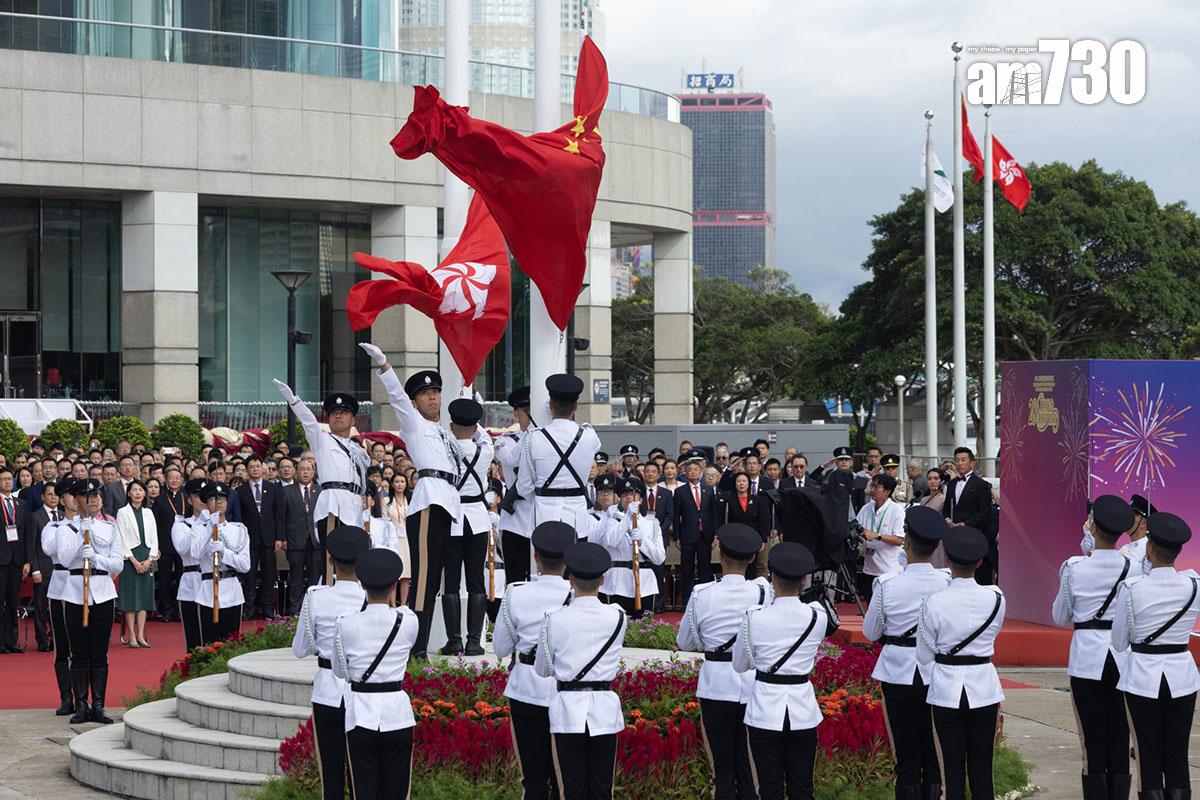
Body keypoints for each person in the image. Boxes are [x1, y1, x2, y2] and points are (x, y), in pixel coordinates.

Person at [362, 343, 462, 660]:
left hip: (450, 502)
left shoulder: (443, 431)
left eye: (436, 392)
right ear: (416, 401)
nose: (433, 398)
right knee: (424, 579)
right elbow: (397, 399)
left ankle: (445, 639)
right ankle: (416, 648)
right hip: (429, 502)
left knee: (444, 576)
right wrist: (385, 366)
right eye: (425, 394)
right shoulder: (414, 423)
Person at [732, 542, 839, 800]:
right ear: (804, 579)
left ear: (772, 576)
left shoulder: (755, 616)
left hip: (765, 708)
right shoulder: (817, 616)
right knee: (803, 790)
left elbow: (740, 665)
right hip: (802, 709)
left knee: (769, 791)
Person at [862, 507, 951, 800]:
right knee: (933, 747)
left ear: (907, 542)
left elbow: (871, 633)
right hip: (936, 671)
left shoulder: (888, 585)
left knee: (905, 751)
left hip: (898, 670)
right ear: (937, 545)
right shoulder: (946, 583)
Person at [676, 523, 770, 800]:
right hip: (753, 682)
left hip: (716, 683)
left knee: (723, 765)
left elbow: (685, 642)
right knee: (750, 763)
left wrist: (710, 644)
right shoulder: (763, 592)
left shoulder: (703, 593)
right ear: (752, 558)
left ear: (720, 554)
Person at [1050, 495, 1136, 800]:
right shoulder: (1132, 566)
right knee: (1121, 735)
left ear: (1093, 527)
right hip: (1123, 658)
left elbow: (1061, 617)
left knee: (1092, 740)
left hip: (1088, 657)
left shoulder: (1074, 568)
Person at [1111, 512, 1199, 799]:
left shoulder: (1133, 588)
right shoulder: (1194, 585)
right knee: (1177, 758)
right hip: (1182, 677)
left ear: (1149, 548)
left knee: (1148, 759)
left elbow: (1119, 642)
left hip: (1142, 678)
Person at [916, 526, 1005, 800]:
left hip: (947, 688)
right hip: (984, 687)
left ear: (948, 561)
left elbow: (923, 655)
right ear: (980, 563)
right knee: (982, 773)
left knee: (951, 777)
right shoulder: (996, 598)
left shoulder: (934, 602)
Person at [534, 541, 627, 800]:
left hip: (567, 710)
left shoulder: (554, 618)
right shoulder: (618, 616)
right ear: (603, 580)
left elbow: (542, 669)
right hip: (604, 710)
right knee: (601, 790)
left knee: (571, 790)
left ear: (570, 579)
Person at [493, 521, 576, 800]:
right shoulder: (577, 596)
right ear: (569, 557)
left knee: (533, 777)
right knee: (564, 775)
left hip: (526, 687)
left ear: (536, 555)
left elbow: (501, 648)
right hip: (565, 689)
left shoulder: (517, 592)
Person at [332, 547, 420, 800]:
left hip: (361, 713)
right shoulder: (408, 621)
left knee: (364, 791)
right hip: (397, 712)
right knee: (397, 791)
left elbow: (339, 671)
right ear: (395, 586)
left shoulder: (346, 623)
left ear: (362, 585)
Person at [293, 525, 370, 800]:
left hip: (327, 689)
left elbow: (300, 649)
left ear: (331, 560)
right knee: (362, 775)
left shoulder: (317, 596)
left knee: (331, 776)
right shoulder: (369, 599)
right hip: (362, 693)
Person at [273, 377, 371, 578]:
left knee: (354, 558)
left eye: (343, 413)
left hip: (353, 503)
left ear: (353, 420)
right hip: (332, 503)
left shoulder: (358, 450)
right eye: (334, 413)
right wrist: (294, 401)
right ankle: (328, 596)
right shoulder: (323, 441)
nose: (338, 417)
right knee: (330, 559)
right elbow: (309, 422)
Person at [58, 479, 124, 723]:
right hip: (76, 591)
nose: (93, 499)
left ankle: (98, 704)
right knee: (79, 652)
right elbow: (65, 559)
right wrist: (80, 537)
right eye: (86, 496)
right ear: (76, 501)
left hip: (103, 590)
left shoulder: (109, 528)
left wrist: (96, 559)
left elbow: (118, 563)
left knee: (99, 652)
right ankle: (81, 704)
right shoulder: (66, 528)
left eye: (96, 495)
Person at [517, 374, 602, 541]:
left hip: (544, 518)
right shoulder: (589, 436)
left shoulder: (533, 438)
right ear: (576, 405)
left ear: (550, 405)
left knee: (547, 566)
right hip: (577, 519)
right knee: (575, 565)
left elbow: (524, 488)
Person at [443, 398, 495, 656]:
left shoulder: (446, 449)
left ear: (452, 425)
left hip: (452, 518)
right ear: (475, 427)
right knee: (476, 580)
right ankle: (474, 641)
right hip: (477, 518)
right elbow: (484, 436)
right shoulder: (485, 451)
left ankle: (454, 640)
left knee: (451, 582)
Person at [594, 477, 665, 618]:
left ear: (641, 499)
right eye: (625, 495)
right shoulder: (612, 520)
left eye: (633, 495)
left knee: (644, 628)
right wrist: (627, 517)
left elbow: (659, 558)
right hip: (618, 583)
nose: (629, 498)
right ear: (620, 499)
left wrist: (642, 541)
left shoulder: (651, 524)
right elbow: (611, 541)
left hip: (644, 584)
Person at [193, 482, 251, 645]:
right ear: (206, 504)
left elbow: (245, 565)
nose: (218, 502)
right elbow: (195, 553)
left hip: (232, 591)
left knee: (231, 644)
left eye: (222, 499)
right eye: (213, 499)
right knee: (208, 644)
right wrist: (209, 527)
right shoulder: (199, 528)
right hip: (208, 592)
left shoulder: (239, 530)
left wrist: (225, 553)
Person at [40, 480, 79, 714]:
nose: (76, 499)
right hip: (61, 585)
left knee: (84, 646)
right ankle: (67, 696)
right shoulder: (53, 527)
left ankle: (84, 696)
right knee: (62, 645)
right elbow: (51, 550)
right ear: (62, 500)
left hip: (86, 587)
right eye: (71, 495)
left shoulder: (94, 525)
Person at [234, 454, 284, 620]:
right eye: (251, 467)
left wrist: (279, 537)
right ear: (247, 471)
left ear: (262, 469)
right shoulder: (240, 491)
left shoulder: (273, 488)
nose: (255, 469)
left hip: (269, 538)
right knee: (249, 575)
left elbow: (279, 515)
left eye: (257, 466)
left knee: (269, 575)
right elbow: (238, 517)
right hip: (249, 539)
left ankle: (268, 609)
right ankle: (249, 609)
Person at [496, 386, 536, 584]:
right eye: (525, 410)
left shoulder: (543, 439)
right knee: (515, 578)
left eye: (532, 410)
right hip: (515, 518)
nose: (528, 415)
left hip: (540, 514)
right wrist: (532, 434)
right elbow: (512, 459)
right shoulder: (506, 440)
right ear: (516, 413)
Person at [942, 447, 996, 584]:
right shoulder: (951, 484)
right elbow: (947, 508)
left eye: (963, 460)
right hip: (955, 535)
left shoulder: (981, 485)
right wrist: (947, 519)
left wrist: (966, 524)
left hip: (974, 535)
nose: (959, 463)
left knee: (978, 576)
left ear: (972, 463)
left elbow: (985, 512)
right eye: (957, 460)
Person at [673, 450, 719, 605]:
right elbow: (676, 515)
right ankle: (687, 601)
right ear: (685, 473)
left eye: (696, 469)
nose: (693, 472)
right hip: (687, 535)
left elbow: (713, 514)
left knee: (705, 568)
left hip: (705, 535)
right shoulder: (680, 491)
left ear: (701, 472)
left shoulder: (708, 490)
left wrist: (715, 535)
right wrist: (677, 537)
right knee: (687, 569)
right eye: (690, 470)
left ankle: (704, 601)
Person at [116, 479, 158, 648]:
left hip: (146, 556)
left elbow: (155, 537)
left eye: (141, 490)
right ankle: (131, 635)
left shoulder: (149, 512)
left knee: (144, 598)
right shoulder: (122, 512)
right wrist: (133, 560)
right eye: (135, 490)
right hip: (129, 559)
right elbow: (121, 537)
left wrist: (150, 559)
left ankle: (141, 634)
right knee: (131, 597)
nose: (138, 493)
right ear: (129, 493)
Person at [173, 477, 210, 651]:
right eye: (197, 496)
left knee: (213, 637)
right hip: (191, 581)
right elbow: (182, 548)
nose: (202, 500)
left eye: (206, 496)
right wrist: (200, 524)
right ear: (189, 500)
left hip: (212, 581)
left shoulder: (217, 524)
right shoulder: (181, 525)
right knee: (194, 637)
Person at [856, 474, 905, 601]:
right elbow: (856, 528)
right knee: (871, 611)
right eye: (872, 486)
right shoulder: (866, 509)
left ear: (887, 491)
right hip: (869, 570)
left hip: (889, 572)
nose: (872, 490)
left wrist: (877, 536)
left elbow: (899, 540)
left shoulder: (896, 510)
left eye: (876, 487)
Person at [282, 460, 322, 616]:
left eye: (308, 469)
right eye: (302, 469)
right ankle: (294, 609)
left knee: (315, 577)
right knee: (295, 577)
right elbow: (281, 517)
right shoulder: (287, 491)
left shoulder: (320, 491)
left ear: (313, 473)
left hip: (315, 541)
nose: (305, 472)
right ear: (296, 472)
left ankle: (313, 609)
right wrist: (282, 538)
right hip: (294, 540)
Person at [0, 466, 32, 652]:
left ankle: (12, 641)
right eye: (3, 479)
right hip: (1, 559)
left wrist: (27, 560)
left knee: (13, 601)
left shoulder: (21, 504)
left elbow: (27, 534)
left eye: (9, 479)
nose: (7, 482)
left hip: (17, 560)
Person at [30, 480, 60, 653]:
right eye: (49, 494)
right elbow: (31, 546)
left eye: (56, 494)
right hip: (42, 569)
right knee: (41, 608)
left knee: (57, 608)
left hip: (61, 571)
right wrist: (35, 569)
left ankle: (56, 639)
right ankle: (42, 640)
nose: (53, 497)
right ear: (42, 497)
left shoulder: (63, 515)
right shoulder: (35, 517)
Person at [152, 467, 186, 622]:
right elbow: (154, 524)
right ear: (165, 479)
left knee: (182, 578)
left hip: (183, 546)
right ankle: (166, 610)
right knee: (164, 580)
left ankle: (180, 610)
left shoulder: (187, 498)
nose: (174, 481)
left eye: (177, 478)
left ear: (182, 480)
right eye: (171, 478)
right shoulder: (160, 499)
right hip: (165, 545)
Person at [379, 472, 411, 603]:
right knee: (394, 572)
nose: (399, 484)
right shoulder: (386, 500)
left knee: (406, 574)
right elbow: (384, 520)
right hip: (393, 538)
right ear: (392, 484)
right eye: (397, 482)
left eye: (402, 482)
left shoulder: (410, 500)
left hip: (408, 539)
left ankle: (403, 603)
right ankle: (392, 603)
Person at [1118, 493, 1156, 575]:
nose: (1127, 518)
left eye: (1133, 515)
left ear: (1143, 523)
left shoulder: (1149, 551)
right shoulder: (1125, 547)